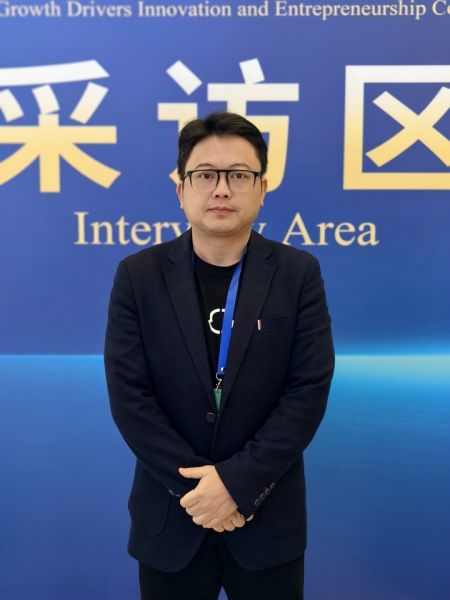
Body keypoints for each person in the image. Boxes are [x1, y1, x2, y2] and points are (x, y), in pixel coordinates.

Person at [104, 112, 334, 599]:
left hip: (266, 521)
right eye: (205, 174)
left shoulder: (297, 274)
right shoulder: (138, 276)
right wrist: (199, 492)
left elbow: (307, 392)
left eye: (239, 175)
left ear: (263, 188)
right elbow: (130, 399)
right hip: (171, 520)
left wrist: (236, 484)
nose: (222, 189)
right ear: (181, 190)